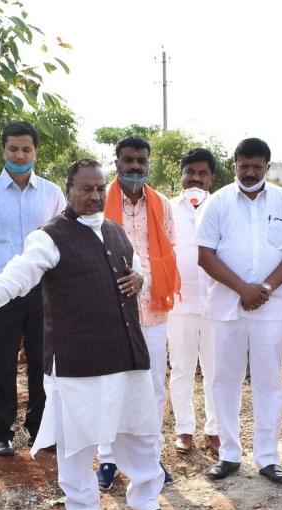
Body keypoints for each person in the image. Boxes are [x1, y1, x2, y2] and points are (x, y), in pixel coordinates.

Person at [0, 159, 173, 510]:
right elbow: (17, 275)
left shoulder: (116, 231)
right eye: (86, 188)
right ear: (68, 190)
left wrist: (140, 280)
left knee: (138, 430)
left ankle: (146, 501)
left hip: (126, 351)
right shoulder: (49, 237)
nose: (95, 195)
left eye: (100, 188)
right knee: (78, 437)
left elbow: (139, 271)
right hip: (78, 357)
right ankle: (82, 509)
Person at [196, 137, 282, 485]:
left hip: (270, 308)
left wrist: (266, 288)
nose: (250, 172)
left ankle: (268, 457)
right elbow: (205, 256)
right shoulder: (217, 203)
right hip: (225, 307)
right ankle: (229, 454)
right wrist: (242, 289)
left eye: (257, 166)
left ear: (267, 167)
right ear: (235, 166)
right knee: (224, 380)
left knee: (268, 381)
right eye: (244, 165)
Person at [0, 121, 66, 456]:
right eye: (13, 149)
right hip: (1, 290)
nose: (20, 155)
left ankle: (39, 428)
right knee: (3, 361)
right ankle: (2, 432)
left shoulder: (52, 193)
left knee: (42, 360)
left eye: (26, 149)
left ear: (35, 152)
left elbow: (61, 237)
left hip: (42, 290)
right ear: (3, 151)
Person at [96, 136, 179, 491]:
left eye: (141, 161)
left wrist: (147, 281)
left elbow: (168, 251)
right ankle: (108, 458)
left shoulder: (162, 204)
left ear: (148, 164)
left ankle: (149, 456)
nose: (135, 167)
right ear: (116, 162)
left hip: (153, 312)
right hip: (110, 311)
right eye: (128, 160)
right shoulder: (98, 202)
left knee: (153, 386)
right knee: (111, 387)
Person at [167, 148, 220, 455]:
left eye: (202, 173)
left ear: (211, 177)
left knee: (215, 371)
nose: (196, 178)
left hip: (216, 303)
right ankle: (184, 429)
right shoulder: (168, 209)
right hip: (179, 303)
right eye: (190, 172)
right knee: (181, 368)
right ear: (182, 175)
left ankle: (215, 431)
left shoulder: (221, 207)